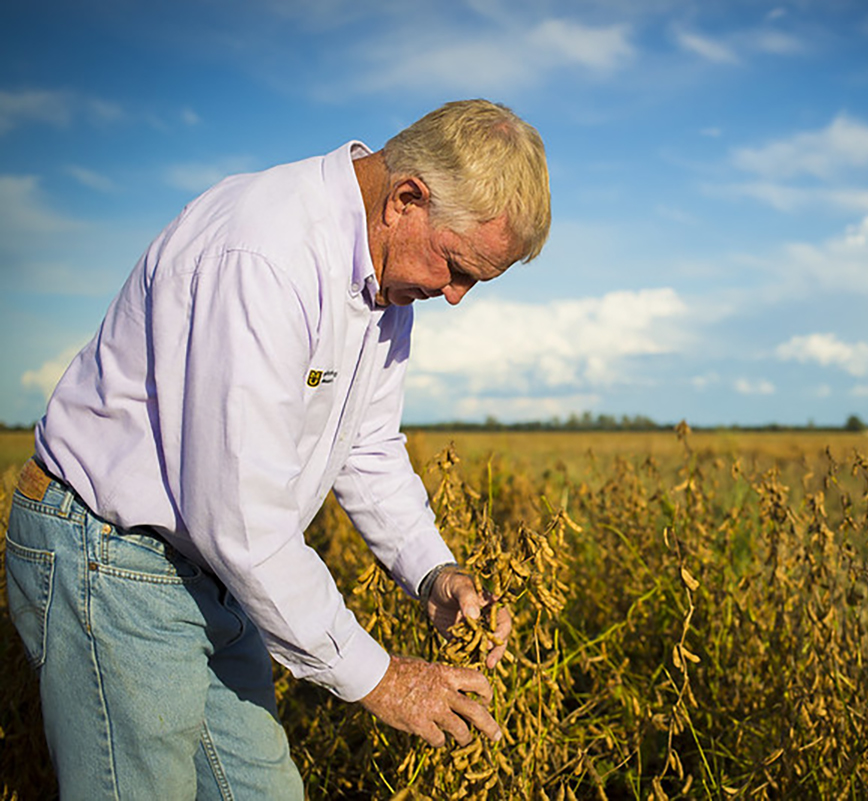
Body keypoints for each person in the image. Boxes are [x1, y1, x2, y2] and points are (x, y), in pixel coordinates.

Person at [4, 98, 550, 799]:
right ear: (406, 198)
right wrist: (382, 678)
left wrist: (432, 573)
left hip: (210, 567)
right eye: (457, 267)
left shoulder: (386, 286)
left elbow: (369, 446)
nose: (455, 296)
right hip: (111, 555)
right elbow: (241, 518)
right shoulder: (268, 254)